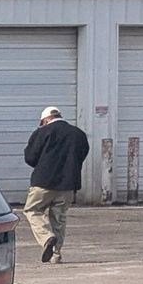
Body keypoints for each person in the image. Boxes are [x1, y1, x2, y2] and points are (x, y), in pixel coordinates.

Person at [21, 105, 89, 263]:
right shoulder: (78, 134)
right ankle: (56, 255)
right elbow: (82, 154)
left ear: (46, 120)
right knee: (59, 218)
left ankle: (46, 238)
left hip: (43, 182)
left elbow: (30, 157)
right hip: (68, 184)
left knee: (32, 210)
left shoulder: (42, 132)